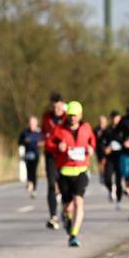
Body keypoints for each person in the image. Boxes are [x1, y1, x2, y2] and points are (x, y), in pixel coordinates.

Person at [51, 101, 95, 247]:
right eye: (69, 115)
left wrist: (91, 148)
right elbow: (49, 144)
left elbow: (92, 141)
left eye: (74, 115)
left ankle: (74, 235)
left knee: (78, 202)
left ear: (80, 115)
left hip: (81, 171)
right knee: (68, 206)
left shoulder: (86, 128)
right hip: (65, 171)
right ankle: (66, 217)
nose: (72, 118)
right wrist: (58, 146)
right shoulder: (59, 129)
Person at [41, 93, 68, 229]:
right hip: (51, 154)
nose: (55, 109)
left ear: (62, 105)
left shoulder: (68, 117)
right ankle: (53, 216)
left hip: (65, 155)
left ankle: (65, 211)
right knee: (51, 185)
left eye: (57, 106)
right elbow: (44, 132)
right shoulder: (46, 116)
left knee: (64, 185)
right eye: (53, 106)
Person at [102, 111, 124, 206]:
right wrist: (105, 148)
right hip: (110, 157)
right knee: (107, 178)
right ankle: (111, 188)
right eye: (113, 118)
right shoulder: (107, 130)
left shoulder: (123, 129)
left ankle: (119, 200)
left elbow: (126, 141)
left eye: (117, 117)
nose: (115, 120)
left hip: (120, 157)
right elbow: (102, 142)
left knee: (119, 180)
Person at [18, 116, 43, 198]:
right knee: (29, 171)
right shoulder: (25, 132)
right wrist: (24, 142)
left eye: (33, 123)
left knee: (34, 171)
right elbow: (19, 142)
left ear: (36, 124)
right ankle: (29, 182)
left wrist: (41, 144)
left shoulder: (39, 132)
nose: (31, 125)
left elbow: (44, 141)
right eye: (30, 123)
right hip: (27, 155)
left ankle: (34, 190)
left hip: (36, 155)